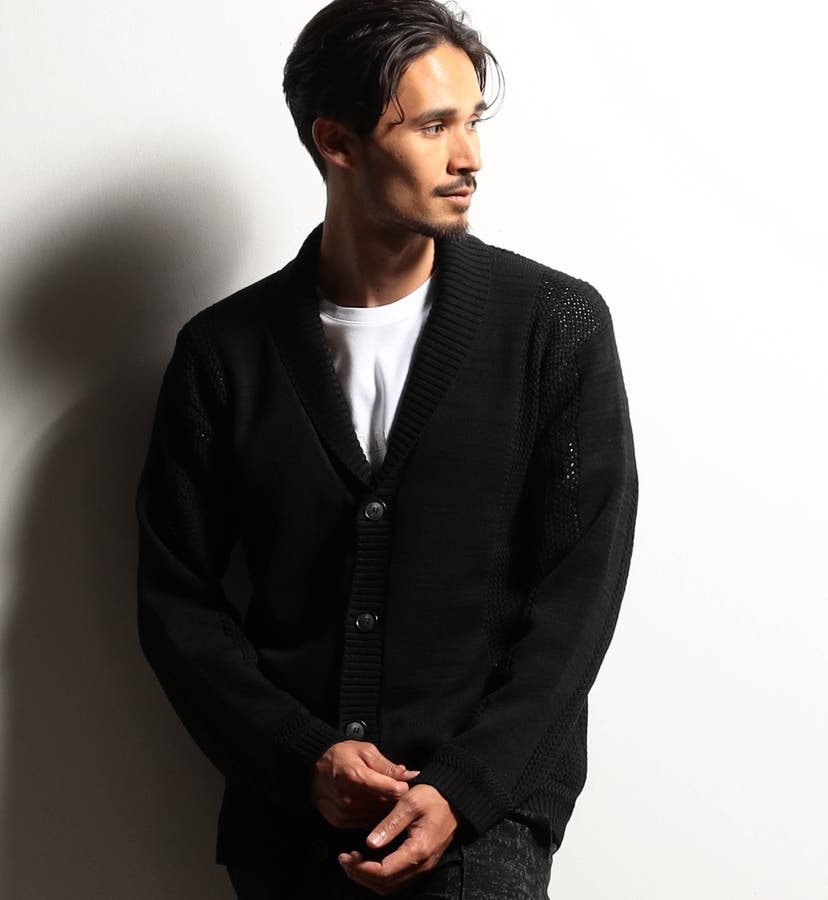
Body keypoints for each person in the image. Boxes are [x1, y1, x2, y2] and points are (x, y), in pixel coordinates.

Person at [135, 0, 638, 896]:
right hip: (289, 829)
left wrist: (468, 786)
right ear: (338, 141)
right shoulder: (225, 352)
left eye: (473, 121)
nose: (469, 156)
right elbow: (178, 601)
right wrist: (304, 754)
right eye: (435, 126)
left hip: (483, 827)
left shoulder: (553, 327)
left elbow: (580, 591)